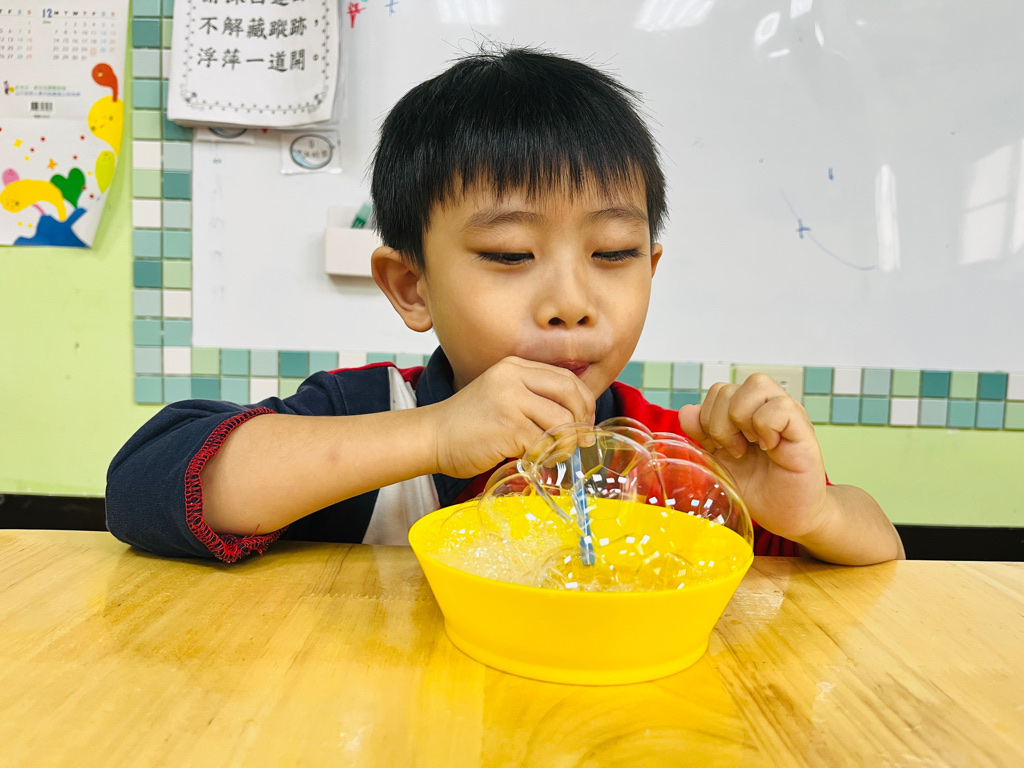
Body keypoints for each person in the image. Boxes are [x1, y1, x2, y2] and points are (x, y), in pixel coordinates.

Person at [106, 47, 904, 566]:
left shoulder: (669, 453)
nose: (571, 303)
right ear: (411, 286)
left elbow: (882, 552)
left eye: (613, 254)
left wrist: (812, 515)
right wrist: (433, 434)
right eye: (511, 255)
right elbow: (144, 483)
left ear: (651, 268)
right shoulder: (372, 415)